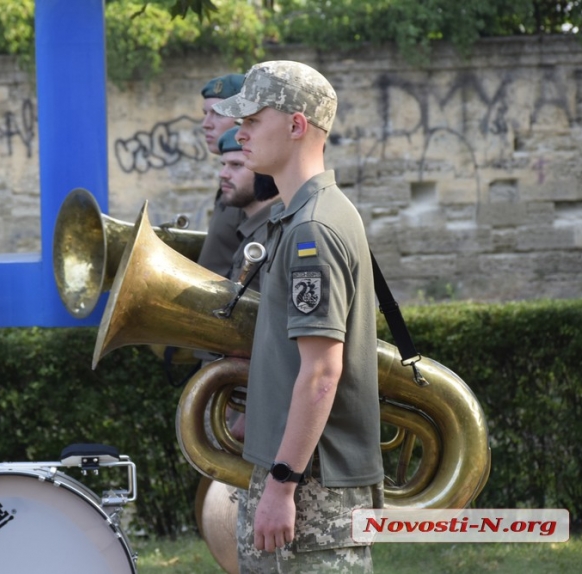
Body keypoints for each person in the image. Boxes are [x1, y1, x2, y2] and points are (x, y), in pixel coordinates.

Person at [213, 61, 385, 573]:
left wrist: (281, 485)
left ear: (295, 126)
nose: (239, 131)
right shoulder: (301, 216)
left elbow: (320, 374)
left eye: (253, 118)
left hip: (310, 491)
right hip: (297, 480)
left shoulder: (313, 229)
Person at [216, 126, 281, 294]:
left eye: (236, 165)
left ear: (263, 169)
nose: (223, 174)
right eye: (223, 164)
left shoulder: (274, 232)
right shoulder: (252, 229)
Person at [197, 73, 247, 277]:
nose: (205, 124)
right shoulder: (232, 177)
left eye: (218, 114)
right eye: (205, 113)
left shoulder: (253, 183)